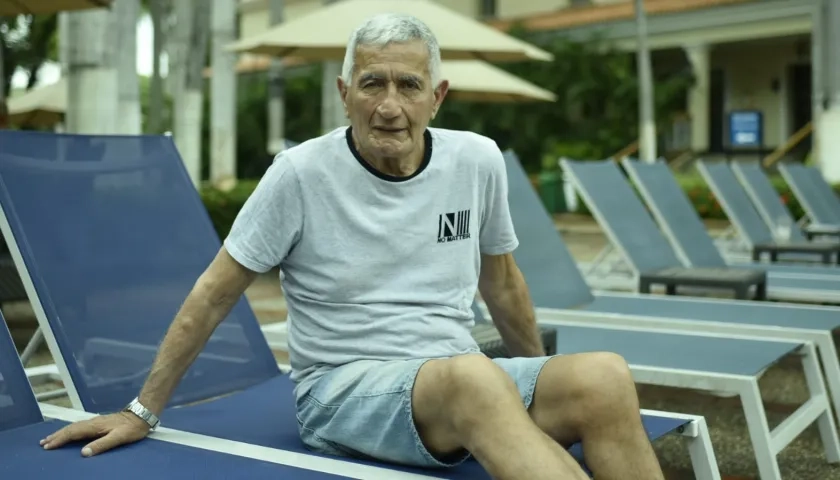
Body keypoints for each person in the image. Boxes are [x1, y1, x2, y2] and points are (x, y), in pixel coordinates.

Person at [39, 13, 664, 480]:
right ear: (344, 94)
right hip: (341, 391)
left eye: (408, 85)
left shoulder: (477, 160)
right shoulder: (299, 174)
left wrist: (531, 382)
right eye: (371, 84)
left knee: (603, 376)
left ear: (437, 96)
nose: (389, 106)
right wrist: (142, 411)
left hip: (457, 379)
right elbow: (213, 294)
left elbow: (501, 283)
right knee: (473, 378)